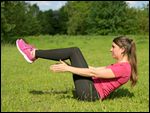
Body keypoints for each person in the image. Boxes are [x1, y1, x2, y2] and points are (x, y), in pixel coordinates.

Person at [16, 36, 138, 101]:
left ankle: (33, 53)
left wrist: (68, 69)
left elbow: (93, 72)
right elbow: (93, 68)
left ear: (122, 49)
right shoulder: (119, 66)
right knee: (74, 52)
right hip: (90, 89)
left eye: (113, 47)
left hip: (91, 95)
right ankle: (34, 53)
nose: (110, 49)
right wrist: (71, 66)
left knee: (74, 51)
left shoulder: (124, 68)